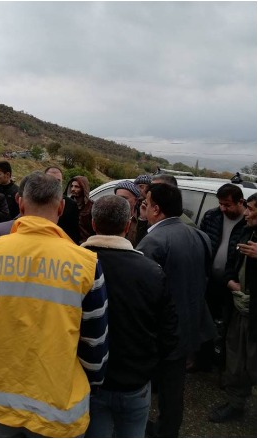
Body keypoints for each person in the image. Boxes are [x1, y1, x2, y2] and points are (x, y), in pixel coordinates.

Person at [0, 171, 108, 438]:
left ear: (20, 203)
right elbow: (94, 343)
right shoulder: (87, 263)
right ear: (61, 208)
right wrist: (92, 383)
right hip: (59, 404)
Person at [81, 195, 178, 438]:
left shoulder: (74, 267)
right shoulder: (152, 272)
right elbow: (168, 332)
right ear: (128, 226)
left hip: (88, 381)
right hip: (135, 382)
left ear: (93, 224)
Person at [136, 183, 215, 437]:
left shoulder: (153, 241)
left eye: (147, 203)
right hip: (189, 327)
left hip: (162, 332)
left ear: (156, 209)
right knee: (174, 387)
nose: (144, 208)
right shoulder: (200, 235)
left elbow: (145, 292)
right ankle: (169, 430)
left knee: (151, 384)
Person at [209, 193, 256, 423]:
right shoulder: (247, 231)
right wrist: (229, 281)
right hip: (240, 310)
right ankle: (236, 404)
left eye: (251, 209)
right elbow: (231, 261)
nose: (246, 213)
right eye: (246, 208)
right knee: (237, 360)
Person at [197, 184, 247, 372]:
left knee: (228, 328)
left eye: (227, 205)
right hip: (209, 281)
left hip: (233, 286)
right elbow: (201, 242)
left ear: (240, 202)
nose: (223, 209)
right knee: (204, 322)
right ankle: (202, 361)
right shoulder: (212, 216)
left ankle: (224, 368)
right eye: (221, 204)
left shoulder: (249, 222)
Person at [45, 166, 80, 243]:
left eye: (58, 181)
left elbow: (74, 235)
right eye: (51, 180)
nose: (54, 184)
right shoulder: (36, 201)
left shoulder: (71, 205)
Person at [113, 180, 143, 246]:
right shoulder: (108, 216)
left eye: (124, 198)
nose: (119, 202)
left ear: (136, 200)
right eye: (117, 198)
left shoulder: (142, 220)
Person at [67, 175, 96, 243]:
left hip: (86, 244)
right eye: (72, 186)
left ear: (83, 188)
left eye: (77, 187)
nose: (73, 189)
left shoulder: (91, 206)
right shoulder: (67, 204)